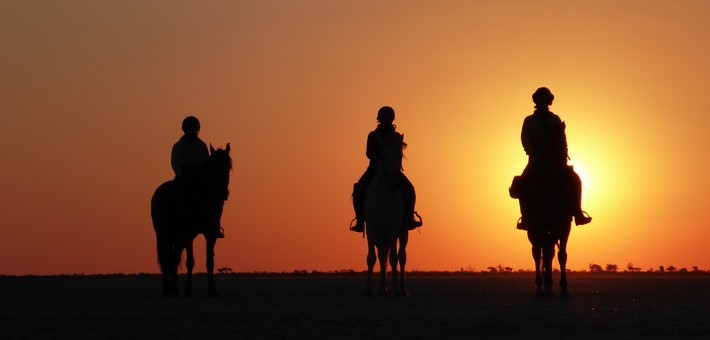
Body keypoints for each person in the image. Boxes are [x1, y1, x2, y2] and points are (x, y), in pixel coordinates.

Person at [519, 87, 592, 228]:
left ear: (549, 101)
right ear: (536, 101)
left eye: (545, 99)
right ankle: (526, 217)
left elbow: (562, 140)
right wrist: (534, 153)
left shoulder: (554, 119)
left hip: (556, 161)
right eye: (541, 99)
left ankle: (578, 213)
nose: (543, 102)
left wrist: (562, 157)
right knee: (522, 184)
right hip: (536, 160)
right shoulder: (529, 121)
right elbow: (525, 139)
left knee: (575, 180)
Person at [350, 106, 422, 233]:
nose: (386, 121)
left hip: (393, 170)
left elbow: (398, 153)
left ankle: (410, 219)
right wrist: (380, 158)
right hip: (374, 169)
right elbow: (368, 153)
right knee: (358, 189)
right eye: (384, 118)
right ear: (380, 119)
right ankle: (360, 221)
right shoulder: (372, 135)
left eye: (388, 119)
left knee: (410, 189)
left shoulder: (396, 136)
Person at [171, 116, 224, 238]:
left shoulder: (202, 145)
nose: (193, 132)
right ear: (185, 130)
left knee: (216, 197)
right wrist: (181, 176)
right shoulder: (178, 146)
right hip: (184, 175)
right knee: (174, 193)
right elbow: (174, 163)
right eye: (190, 130)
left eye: (195, 130)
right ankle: (171, 219)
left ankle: (215, 225)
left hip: (199, 176)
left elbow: (206, 163)